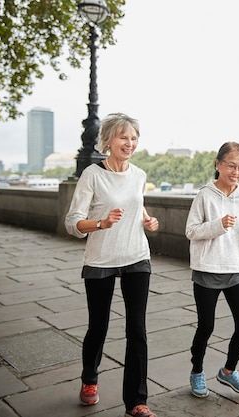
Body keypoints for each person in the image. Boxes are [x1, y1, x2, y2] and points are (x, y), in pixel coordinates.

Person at [65, 113, 159, 417]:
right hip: (101, 259)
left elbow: (135, 202)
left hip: (136, 256)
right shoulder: (92, 174)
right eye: (123, 137)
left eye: (133, 138)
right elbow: (72, 222)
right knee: (99, 326)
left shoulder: (140, 174)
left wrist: (146, 219)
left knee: (137, 329)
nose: (129, 143)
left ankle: (136, 402)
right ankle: (90, 379)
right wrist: (101, 223)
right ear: (108, 140)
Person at [185, 141, 239, 398]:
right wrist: (218, 225)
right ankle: (197, 371)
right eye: (231, 165)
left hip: (236, 269)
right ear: (218, 164)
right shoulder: (204, 196)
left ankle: (228, 371)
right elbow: (191, 232)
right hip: (207, 269)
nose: (236, 172)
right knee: (206, 326)